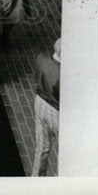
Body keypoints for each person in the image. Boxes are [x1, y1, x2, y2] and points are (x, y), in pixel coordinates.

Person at [31, 37, 61, 175]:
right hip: (57, 112)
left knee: (41, 148)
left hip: (40, 103)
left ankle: (36, 179)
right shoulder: (63, 75)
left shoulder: (42, 58)